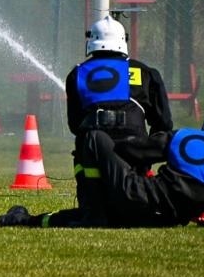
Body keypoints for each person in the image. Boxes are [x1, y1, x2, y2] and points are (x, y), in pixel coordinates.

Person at [0, 94, 204, 228]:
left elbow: (133, 152)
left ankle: (88, 210)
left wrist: (111, 157)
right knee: (107, 217)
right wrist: (195, 208)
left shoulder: (186, 137)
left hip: (135, 197)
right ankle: (30, 219)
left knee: (94, 136)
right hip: (162, 221)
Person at [62, 15, 174, 224]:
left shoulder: (77, 74)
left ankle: (92, 206)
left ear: (91, 41)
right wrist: (146, 158)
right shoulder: (146, 72)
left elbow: (75, 125)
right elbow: (163, 124)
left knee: (84, 144)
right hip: (134, 160)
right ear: (123, 40)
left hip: (92, 156)